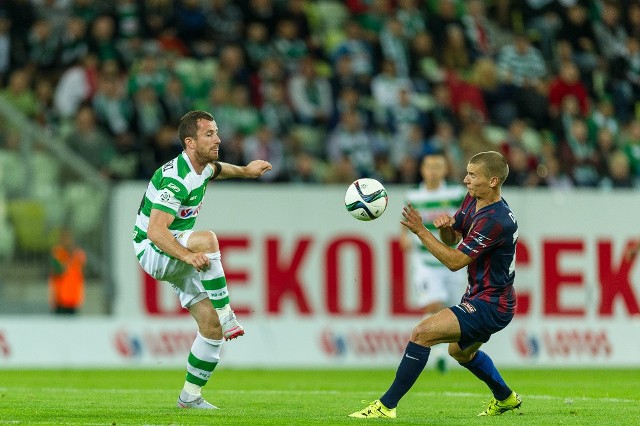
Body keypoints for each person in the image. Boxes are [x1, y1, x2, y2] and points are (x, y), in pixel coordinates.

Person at [349, 151, 521, 419]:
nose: (465, 180)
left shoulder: (495, 220)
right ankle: (505, 398)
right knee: (459, 353)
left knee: (421, 334)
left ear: (493, 181)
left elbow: (454, 261)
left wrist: (421, 230)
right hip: (481, 297)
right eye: (467, 173)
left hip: (491, 304)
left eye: (472, 175)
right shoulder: (474, 199)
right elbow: (452, 238)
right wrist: (444, 227)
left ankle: (386, 406)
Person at [132, 110, 272, 409]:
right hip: (153, 249)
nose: (218, 138)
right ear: (190, 142)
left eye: (216, 132)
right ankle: (228, 313)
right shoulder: (176, 178)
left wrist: (247, 171)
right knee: (207, 240)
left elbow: (219, 170)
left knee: (210, 328)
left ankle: (190, 397)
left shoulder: (203, 167)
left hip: (176, 250)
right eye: (209, 134)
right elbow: (156, 231)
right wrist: (188, 254)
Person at [400, 151, 467, 372]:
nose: (434, 171)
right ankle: (439, 354)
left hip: (451, 261)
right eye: (430, 166)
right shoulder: (414, 196)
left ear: (445, 170)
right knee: (433, 304)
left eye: (438, 166)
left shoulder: (456, 193)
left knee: (451, 308)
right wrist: (403, 237)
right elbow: (404, 223)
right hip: (424, 261)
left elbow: (466, 218)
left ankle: (449, 351)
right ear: (422, 170)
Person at [49, 227, 86, 315]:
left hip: (74, 299)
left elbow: (82, 266)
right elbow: (59, 270)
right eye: (64, 238)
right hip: (60, 300)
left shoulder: (78, 254)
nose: (66, 240)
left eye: (68, 238)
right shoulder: (57, 253)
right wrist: (69, 260)